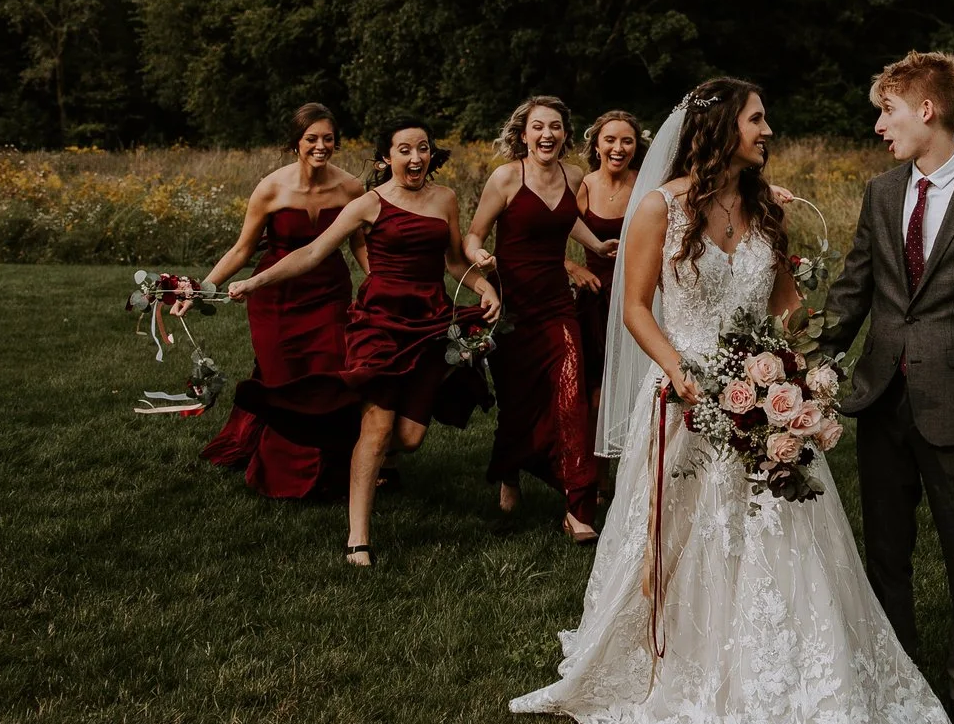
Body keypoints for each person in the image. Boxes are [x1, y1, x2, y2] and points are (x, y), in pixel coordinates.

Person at [511, 79, 954, 724]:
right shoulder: (659, 207)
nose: (768, 127)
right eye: (757, 117)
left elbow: (783, 306)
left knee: (781, 528)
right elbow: (634, 308)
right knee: (682, 534)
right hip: (683, 394)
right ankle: (678, 657)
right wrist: (683, 374)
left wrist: (787, 362)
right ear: (722, 129)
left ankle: (795, 670)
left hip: (759, 395)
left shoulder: (765, 211)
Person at [823, 51, 954, 724]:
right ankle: (897, 680)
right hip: (882, 399)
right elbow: (856, 287)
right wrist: (808, 363)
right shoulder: (883, 192)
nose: (880, 124)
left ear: (926, 110)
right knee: (886, 550)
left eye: (887, 110)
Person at [229, 115, 498, 566]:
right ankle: (358, 539)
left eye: (423, 148)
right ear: (386, 158)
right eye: (405, 150)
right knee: (376, 429)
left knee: (408, 438)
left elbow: (454, 263)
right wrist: (256, 283)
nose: (416, 158)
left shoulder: (446, 200)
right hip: (378, 324)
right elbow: (313, 252)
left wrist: (485, 287)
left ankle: (349, 445)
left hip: (426, 323)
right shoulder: (367, 204)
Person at [196, 103, 372, 500]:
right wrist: (203, 288)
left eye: (328, 138)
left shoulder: (350, 188)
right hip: (275, 297)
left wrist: (383, 285)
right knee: (282, 381)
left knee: (329, 375)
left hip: (328, 294)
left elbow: (361, 249)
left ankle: (331, 469)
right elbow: (242, 251)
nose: (321, 146)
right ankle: (281, 474)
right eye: (312, 138)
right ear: (296, 143)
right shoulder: (271, 188)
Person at [467, 97, 621, 542]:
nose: (547, 135)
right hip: (513, 307)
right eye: (538, 127)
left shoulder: (574, 177)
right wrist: (478, 254)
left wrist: (598, 244)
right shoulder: (505, 178)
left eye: (555, 127)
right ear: (524, 133)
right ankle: (510, 472)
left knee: (570, 397)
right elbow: (475, 233)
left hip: (557, 305)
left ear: (565, 135)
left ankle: (577, 508)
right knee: (519, 402)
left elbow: (567, 220)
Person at [571, 110, 643, 412]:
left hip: (637, 294)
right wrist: (571, 267)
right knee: (596, 387)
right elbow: (544, 234)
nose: (619, 148)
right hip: (597, 296)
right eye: (610, 140)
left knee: (638, 384)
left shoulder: (646, 185)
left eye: (627, 141)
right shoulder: (583, 186)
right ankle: (596, 457)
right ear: (597, 145)